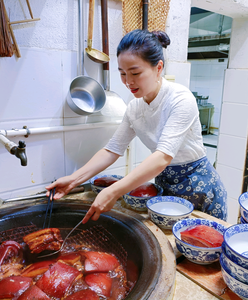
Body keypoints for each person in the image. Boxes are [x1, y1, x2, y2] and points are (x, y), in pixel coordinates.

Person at [46, 29, 227, 222]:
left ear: (158, 68)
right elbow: (112, 150)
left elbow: (162, 157)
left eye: (135, 73)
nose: (128, 81)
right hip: (164, 187)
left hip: (200, 188)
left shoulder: (180, 99)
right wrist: (73, 180)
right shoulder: (134, 107)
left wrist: (115, 191)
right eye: (122, 73)